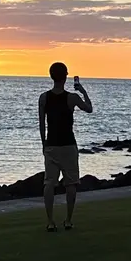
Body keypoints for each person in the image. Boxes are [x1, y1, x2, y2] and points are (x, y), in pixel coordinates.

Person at [39, 62, 93, 231]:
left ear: (51, 76)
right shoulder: (72, 97)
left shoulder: (44, 97)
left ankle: (50, 221)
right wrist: (82, 90)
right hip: (69, 145)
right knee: (71, 184)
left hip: (51, 145)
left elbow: (42, 124)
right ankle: (68, 220)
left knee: (49, 183)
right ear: (66, 76)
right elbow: (89, 109)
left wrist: (43, 144)